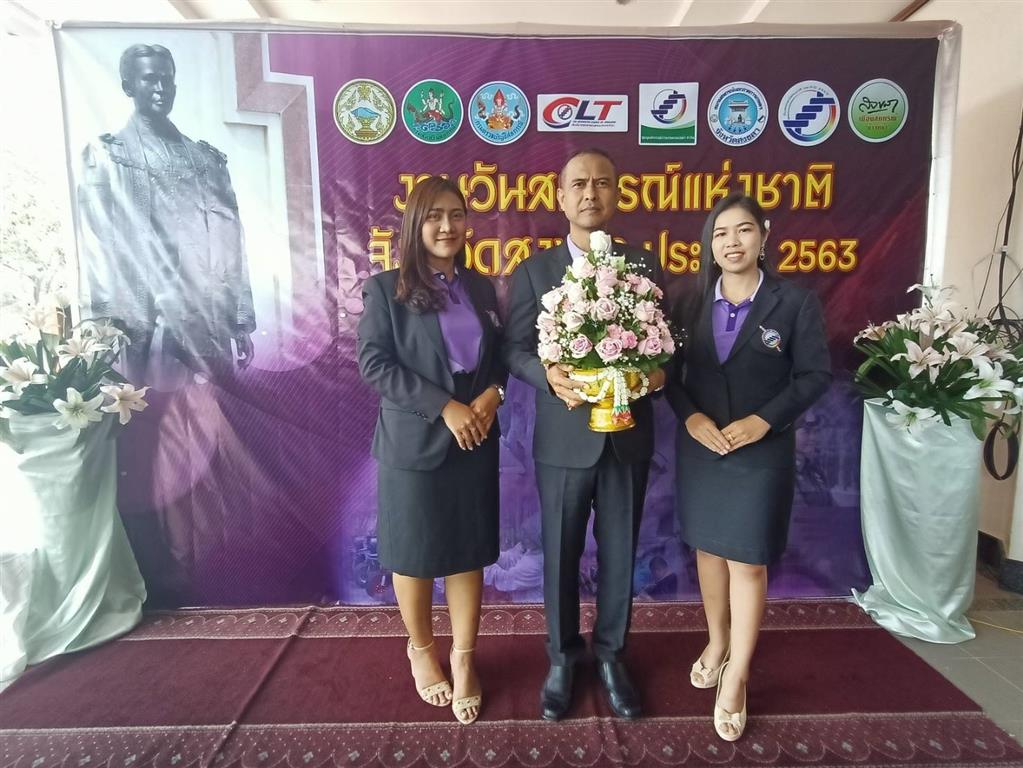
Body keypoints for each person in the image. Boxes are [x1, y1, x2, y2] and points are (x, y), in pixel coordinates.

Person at [504, 148, 669, 721]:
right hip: (563, 439)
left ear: (617, 194)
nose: (590, 193)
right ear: (560, 197)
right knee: (560, 552)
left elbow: (668, 346)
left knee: (621, 552)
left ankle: (612, 655)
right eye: (578, 184)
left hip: (627, 435)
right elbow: (513, 349)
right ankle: (561, 657)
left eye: (602, 183)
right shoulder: (536, 271)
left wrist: (656, 375)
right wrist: (547, 376)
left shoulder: (644, 266)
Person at [667, 192, 831, 741]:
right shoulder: (688, 302)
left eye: (742, 230)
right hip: (703, 446)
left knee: (747, 561)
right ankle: (717, 642)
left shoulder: (794, 303)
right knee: (708, 550)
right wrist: (691, 418)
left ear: (763, 235)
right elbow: (667, 374)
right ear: (709, 245)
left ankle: (737, 674)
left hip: (761, 450)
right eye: (720, 233)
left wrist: (765, 422)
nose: (731, 242)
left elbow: (814, 376)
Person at [357, 175, 506, 725]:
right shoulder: (386, 289)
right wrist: (444, 406)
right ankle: (421, 650)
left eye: (457, 215)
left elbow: (498, 360)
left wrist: (493, 394)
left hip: (475, 435)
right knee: (415, 554)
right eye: (435, 216)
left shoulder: (482, 288)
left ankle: (464, 658)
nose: (448, 226)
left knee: (467, 552)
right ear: (415, 223)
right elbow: (374, 364)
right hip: (415, 440)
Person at [77, 44, 255, 388]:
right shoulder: (106, 157)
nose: (161, 88)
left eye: (167, 79)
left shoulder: (206, 161)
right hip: (140, 318)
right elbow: (96, 243)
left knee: (218, 410)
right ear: (128, 86)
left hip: (206, 316)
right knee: (145, 411)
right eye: (149, 79)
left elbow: (231, 242)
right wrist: (103, 323)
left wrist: (240, 319)